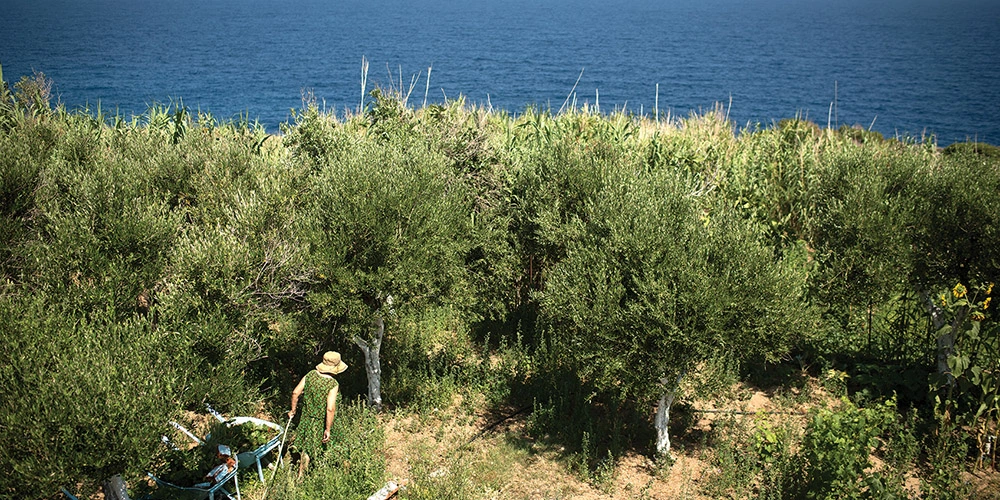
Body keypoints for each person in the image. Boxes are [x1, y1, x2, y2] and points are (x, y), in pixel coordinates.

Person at [288, 350, 346, 477]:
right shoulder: (333, 384)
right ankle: (303, 477)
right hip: (321, 420)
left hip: (306, 417)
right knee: (312, 449)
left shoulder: (310, 375)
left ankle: (302, 475)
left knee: (307, 446)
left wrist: (293, 410)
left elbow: (295, 393)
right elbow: (330, 408)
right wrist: (328, 429)